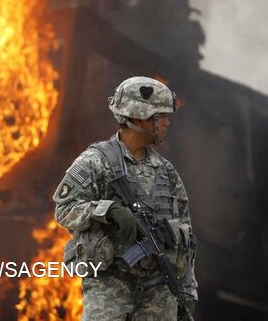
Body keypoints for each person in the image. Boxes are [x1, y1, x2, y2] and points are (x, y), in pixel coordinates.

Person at [53, 76, 197, 320]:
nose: (166, 123)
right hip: (110, 285)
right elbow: (64, 210)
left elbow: (185, 237)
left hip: (159, 287)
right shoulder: (95, 161)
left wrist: (188, 291)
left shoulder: (166, 172)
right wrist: (107, 210)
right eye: (160, 116)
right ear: (140, 115)